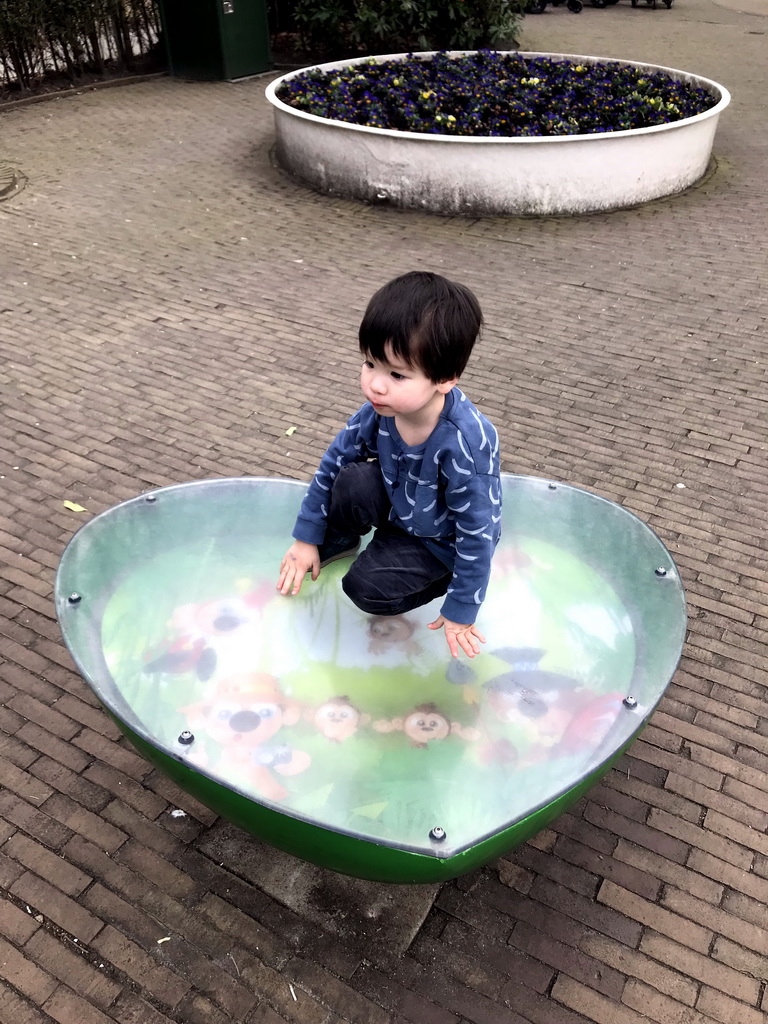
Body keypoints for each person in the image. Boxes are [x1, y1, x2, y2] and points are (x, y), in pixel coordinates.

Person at [276, 271, 502, 659]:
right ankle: (343, 542)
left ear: (444, 378)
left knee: (364, 590)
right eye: (370, 364)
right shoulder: (378, 412)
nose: (376, 385)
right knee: (350, 480)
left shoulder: (464, 445)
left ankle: (437, 580)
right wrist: (306, 538)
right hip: (402, 508)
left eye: (397, 374)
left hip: (438, 542)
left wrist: (462, 608)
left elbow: (479, 531)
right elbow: (330, 466)